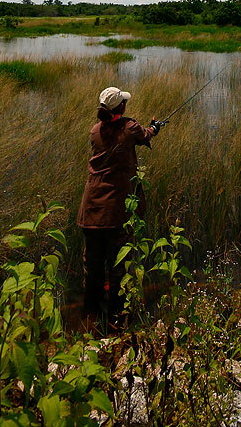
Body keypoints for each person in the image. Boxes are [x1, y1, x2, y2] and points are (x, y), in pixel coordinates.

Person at [77, 86, 160, 328]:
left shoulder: (95, 132)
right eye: (123, 102)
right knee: (117, 267)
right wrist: (155, 127)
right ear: (120, 107)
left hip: (90, 209)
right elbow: (145, 135)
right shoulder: (130, 127)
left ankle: (89, 319)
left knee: (91, 268)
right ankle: (117, 322)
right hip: (114, 212)